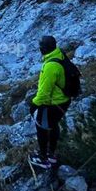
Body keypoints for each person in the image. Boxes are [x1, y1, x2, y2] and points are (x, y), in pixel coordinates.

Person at [28, 35, 71, 169]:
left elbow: (44, 93)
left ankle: (43, 158)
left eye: (41, 47)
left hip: (52, 103)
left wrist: (34, 104)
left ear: (44, 49)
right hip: (64, 100)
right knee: (53, 125)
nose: (40, 49)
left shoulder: (50, 66)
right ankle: (51, 155)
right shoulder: (59, 54)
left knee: (41, 127)